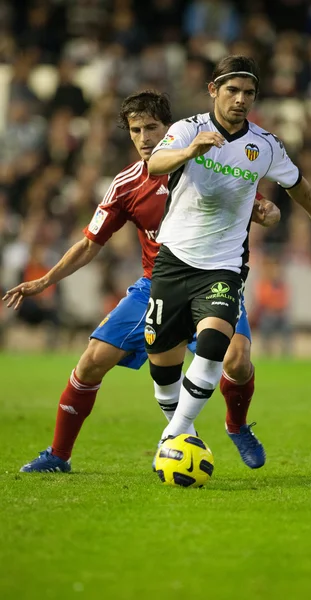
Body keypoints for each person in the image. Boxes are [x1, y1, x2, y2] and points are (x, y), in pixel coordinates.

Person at [3, 90, 279, 473]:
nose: (145, 138)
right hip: (156, 285)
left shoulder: (213, 163)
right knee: (91, 362)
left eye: (152, 127)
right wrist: (44, 281)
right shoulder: (127, 184)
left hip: (215, 278)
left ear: (171, 129)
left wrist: (266, 211)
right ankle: (58, 455)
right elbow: (89, 243)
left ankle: (236, 425)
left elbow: (259, 204)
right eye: (136, 130)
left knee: (238, 359)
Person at [145, 55, 311, 448]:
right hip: (174, 259)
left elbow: (296, 183)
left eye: (248, 93)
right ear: (213, 91)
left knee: (217, 345)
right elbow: (155, 164)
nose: (240, 99)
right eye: (232, 90)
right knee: (163, 366)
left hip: (224, 265)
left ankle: (174, 436)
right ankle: (182, 428)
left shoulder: (264, 145)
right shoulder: (189, 129)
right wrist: (190, 151)